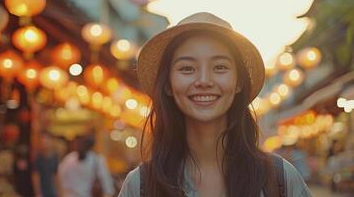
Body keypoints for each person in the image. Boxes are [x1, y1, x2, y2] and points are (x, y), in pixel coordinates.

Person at [118, 12, 312, 197]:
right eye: (187, 68)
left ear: (239, 82)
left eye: (220, 67)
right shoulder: (140, 186)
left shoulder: (280, 180)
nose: (204, 80)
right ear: (168, 84)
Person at [32, 132, 59, 197]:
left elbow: (56, 176)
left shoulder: (55, 157)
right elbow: (35, 176)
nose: (44, 142)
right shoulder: (37, 158)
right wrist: (38, 193)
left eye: (47, 140)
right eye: (42, 141)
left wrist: (59, 191)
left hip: (53, 192)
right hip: (43, 193)